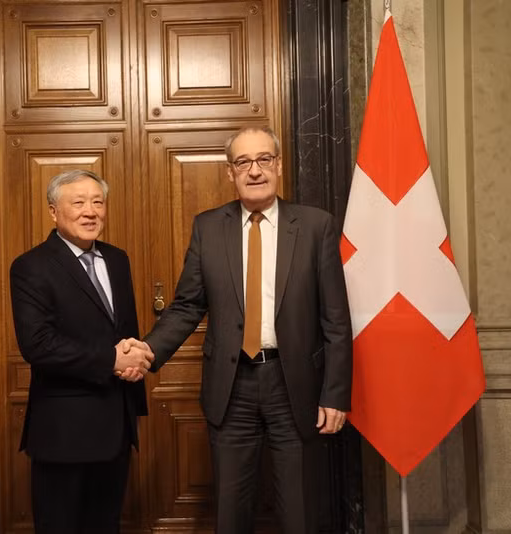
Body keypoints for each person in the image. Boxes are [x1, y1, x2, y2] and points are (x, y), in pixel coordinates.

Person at [126, 126, 352, 533]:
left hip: (295, 386)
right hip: (231, 388)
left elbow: (335, 318)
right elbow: (186, 306)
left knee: (299, 513)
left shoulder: (317, 227)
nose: (255, 171)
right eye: (243, 162)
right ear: (230, 172)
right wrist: (147, 351)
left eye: (264, 159)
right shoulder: (208, 227)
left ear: (279, 166)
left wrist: (334, 394)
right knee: (231, 513)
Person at [9, 169, 154, 534]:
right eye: (78, 202)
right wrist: (112, 360)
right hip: (64, 431)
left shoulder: (117, 259)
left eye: (98, 202)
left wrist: (134, 362)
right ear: (53, 212)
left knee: (106, 525)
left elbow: (124, 332)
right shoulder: (31, 266)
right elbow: (38, 345)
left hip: (116, 425)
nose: (90, 211)